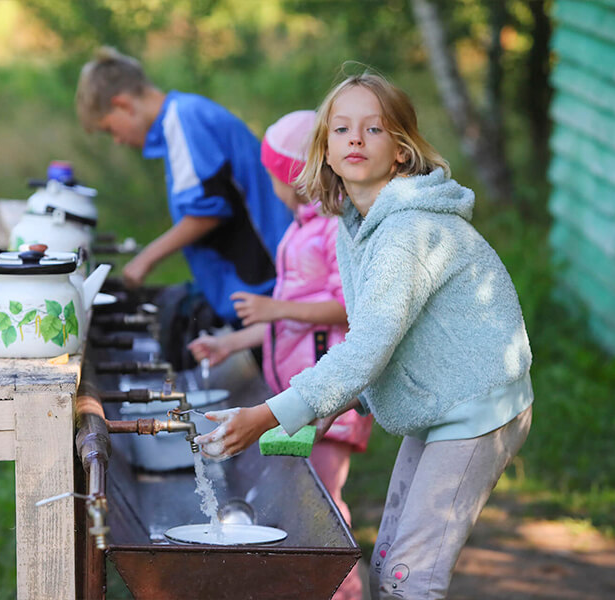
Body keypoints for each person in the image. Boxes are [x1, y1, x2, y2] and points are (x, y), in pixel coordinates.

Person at [194, 72, 534, 599]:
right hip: (439, 401)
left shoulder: (405, 233)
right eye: (342, 129)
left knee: (411, 576)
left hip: (476, 405)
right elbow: (385, 332)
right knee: (387, 560)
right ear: (325, 150)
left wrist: (266, 415)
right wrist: (331, 399)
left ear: (400, 151)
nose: (355, 139)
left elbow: (368, 344)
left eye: (373, 129)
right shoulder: (353, 223)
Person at [188, 110, 372, 600]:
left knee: (324, 505)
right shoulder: (304, 224)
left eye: (272, 176)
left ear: (297, 176)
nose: (268, 187)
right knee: (300, 499)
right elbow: (291, 324)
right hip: (297, 396)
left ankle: (346, 591)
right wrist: (234, 341)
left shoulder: (338, 231)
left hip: (330, 397)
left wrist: (274, 306)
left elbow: (350, 310)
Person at [75, 46, 292, 326]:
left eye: (109, 129)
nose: (116, 139)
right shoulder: (181, 118)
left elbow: (207, 213)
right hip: (255, 287)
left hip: (267, 285)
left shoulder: (183, 120)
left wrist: (145, 259)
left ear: (123, 105)